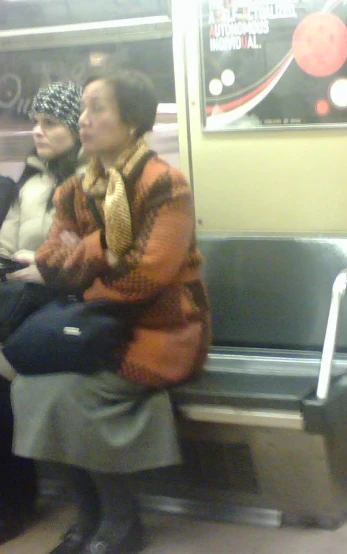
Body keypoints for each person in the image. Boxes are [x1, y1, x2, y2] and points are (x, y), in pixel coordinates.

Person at [9, 68, 211, 554]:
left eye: (98, 109)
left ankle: (121, 522)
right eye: (84, 110)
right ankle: (90, 513)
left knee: (75, 394)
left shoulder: (165, 185)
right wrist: (105, 253)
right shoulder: (74, 190)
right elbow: (52, 264)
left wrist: (91, 249)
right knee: (34, 388)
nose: (85, 119)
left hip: (164, 328)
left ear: (133, 120)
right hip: (98, 324)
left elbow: (149, 276)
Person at [0, 81, 85, 546]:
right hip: (18, 294)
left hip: (64, 303)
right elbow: (6, 244)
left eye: (49, 123)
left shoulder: (90, 183)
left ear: (75, 128)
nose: (37, 131)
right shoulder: (29, 182)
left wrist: (48, 270)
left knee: (3, 379)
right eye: (35, 122)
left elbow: (87, 255)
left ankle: (13, 503)